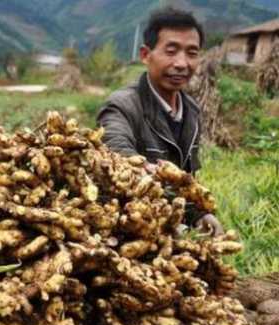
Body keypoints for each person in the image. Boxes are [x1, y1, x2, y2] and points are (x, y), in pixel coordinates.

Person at [96, 7, 223, 235]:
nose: (182, 63)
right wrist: (145, 169)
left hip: (170, 224)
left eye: (192, 53)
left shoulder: (191, 111)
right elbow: (116, 153)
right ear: (146, 55)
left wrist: (200, 214)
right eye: (171, 51)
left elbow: (187, 179)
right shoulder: (121, 106)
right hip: (129, 224)